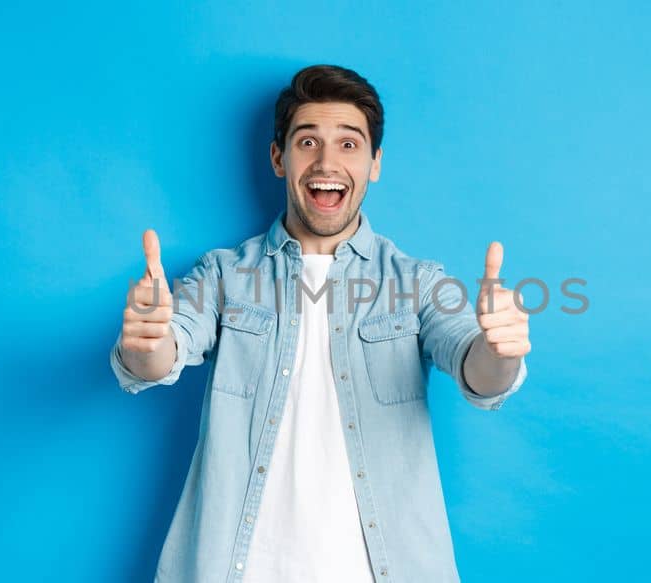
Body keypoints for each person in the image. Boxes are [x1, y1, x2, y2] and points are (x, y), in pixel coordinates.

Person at [111, 64, 531, 582]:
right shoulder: (223, 275)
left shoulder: (418, 281)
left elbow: (476, 367)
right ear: (278, 158)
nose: (327, 161)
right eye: (307, 142)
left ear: (375, 163)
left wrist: (501, 352)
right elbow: (160, 356)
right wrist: (146, 342)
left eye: (349, 145)